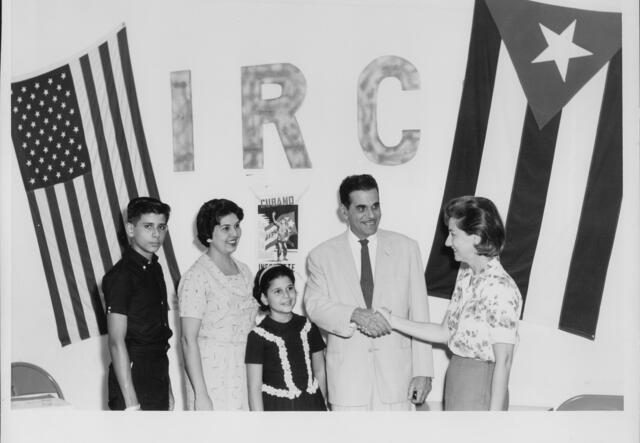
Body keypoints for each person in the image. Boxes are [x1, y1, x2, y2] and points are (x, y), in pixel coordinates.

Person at [378, 196, 522, 410]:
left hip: (482, 385)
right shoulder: (466, 274)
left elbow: (505, 361)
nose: (447, 242)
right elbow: (444, 333)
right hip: (457, 378)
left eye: (453, 234)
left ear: (476, 237)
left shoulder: (500, 287)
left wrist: (495, 422)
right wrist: (392, 320)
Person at [304, 174, 434, 410]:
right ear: (344, 212)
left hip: (398, 381)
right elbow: (315, 306)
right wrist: (353, 314)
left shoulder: (407, 248)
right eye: (361, 208)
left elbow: (420, 313)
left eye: (375, 206)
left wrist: (424, 371)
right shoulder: (321, 256)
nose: (371, 215)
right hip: (348, 384)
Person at [178, 199, 258, 410]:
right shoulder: (195, 276)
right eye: (225, 228)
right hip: (211, 375)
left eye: (237, 226)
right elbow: (188, 340)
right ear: (208, 234)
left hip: (245, 370)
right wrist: (201, 394)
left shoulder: (245, 271)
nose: (235, 233)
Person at [104, 197, 174, 411]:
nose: (156, 234)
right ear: (131, 229)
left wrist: (168, 390)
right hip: (132, 376)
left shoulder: (155, 268)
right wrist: (131, 401)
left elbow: (158, 338)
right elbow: (116, 342)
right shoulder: (122, 275)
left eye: (161, 227)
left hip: (158, 375)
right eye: (148, 226)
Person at [245, 265, 327, 411]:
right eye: (277, 291)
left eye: (290, 288)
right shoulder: (257, 337)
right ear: (264, 298)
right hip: (277, 408)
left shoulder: (308, 327)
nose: (287, 296)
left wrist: (321, 404)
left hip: (311, 404)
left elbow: (320, 369)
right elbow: (254, 387)